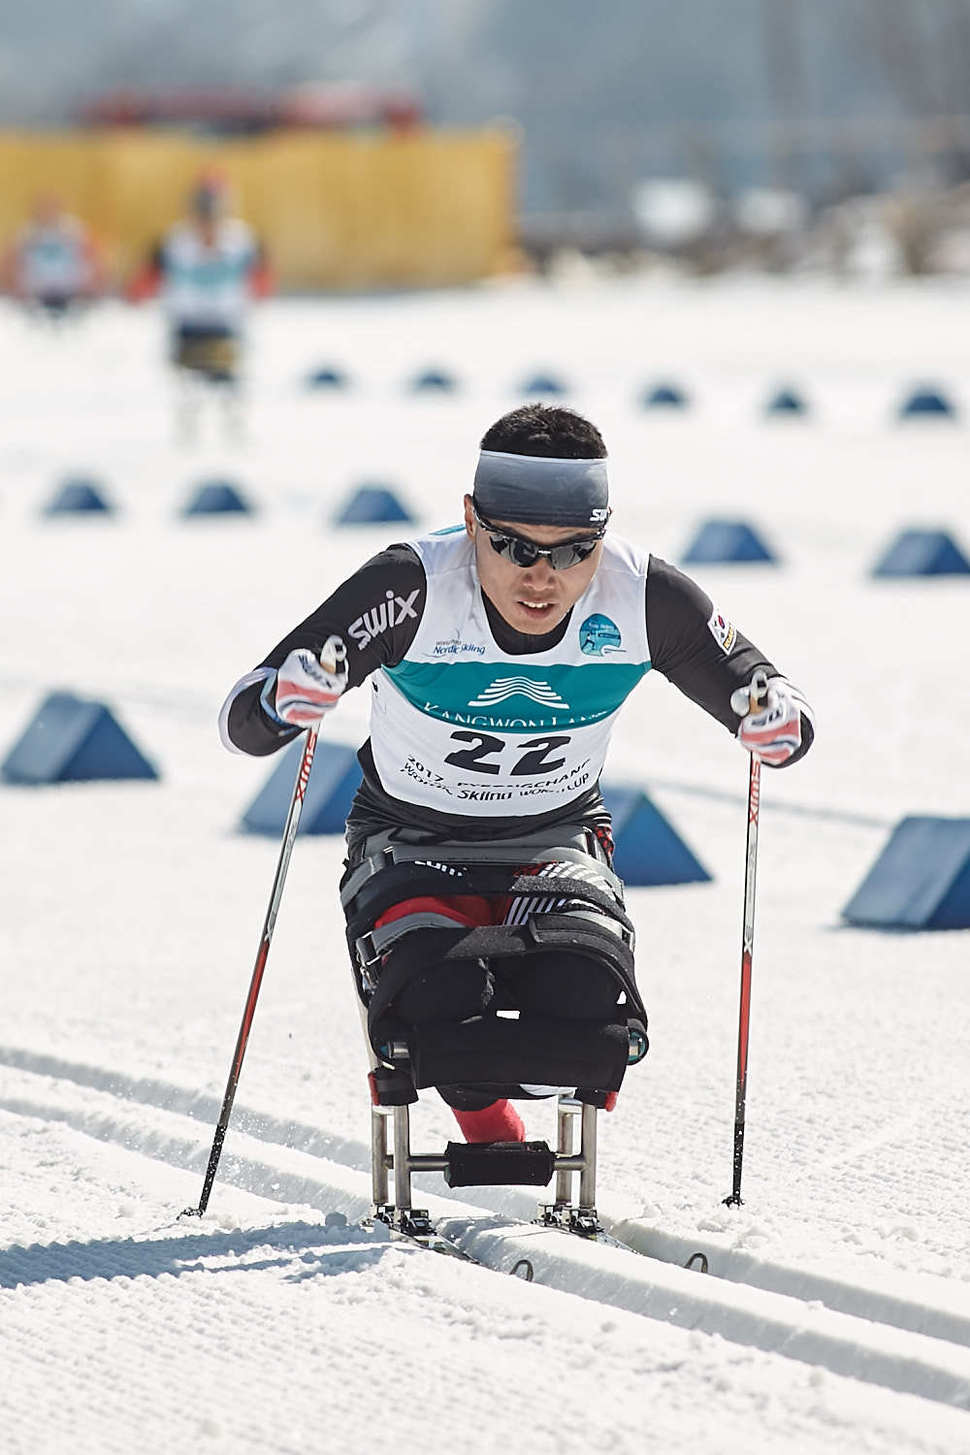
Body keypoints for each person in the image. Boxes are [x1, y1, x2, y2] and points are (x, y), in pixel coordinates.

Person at [220, 404, 814, 1146]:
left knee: (589, 1005)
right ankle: (489, 1127)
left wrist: (776, 723)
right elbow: (243, 716)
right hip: (413, 839)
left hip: (554, 840)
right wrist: (284, 702)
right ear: (470, 520)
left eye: (573, 552)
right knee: (440, 1012)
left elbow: (770, 701)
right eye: (512, 547)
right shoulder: (412, 586)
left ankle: (561, 1162)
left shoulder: (643, 594)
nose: (542, 579)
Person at [127, 172, 271, 441]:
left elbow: (262, 281)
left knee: (229, 383)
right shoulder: (173, 242)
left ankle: (233, 430)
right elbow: (145, 282)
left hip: (225, 326)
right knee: (189, 387)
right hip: (187, 327)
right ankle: (189, 430)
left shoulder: (243, 242)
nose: (208, 222)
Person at [2, 193, 103, 320]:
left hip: (69, 293)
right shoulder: (26, 234)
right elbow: (9, 261)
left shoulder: (74, 231)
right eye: (44, 209)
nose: (48, 214)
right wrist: (13, 288)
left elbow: (94, 259)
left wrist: (92, 286)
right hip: (34, 295)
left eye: (51, 209)